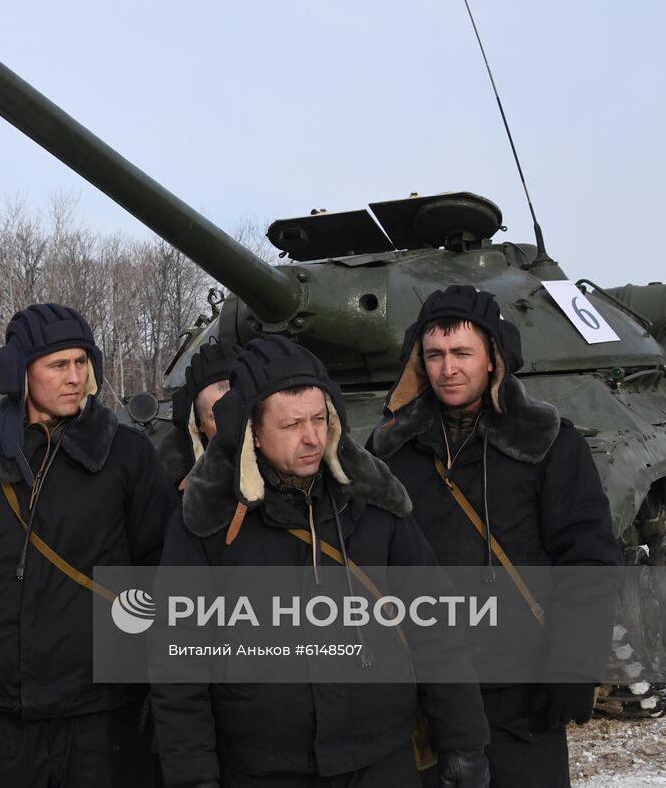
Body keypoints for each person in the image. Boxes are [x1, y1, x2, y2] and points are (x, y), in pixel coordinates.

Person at [152, 335, 491, 788]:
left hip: (380, 759)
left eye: (319, 418)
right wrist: (193, 778)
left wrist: (464, 742)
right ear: (253, 431)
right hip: (262, 768)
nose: (312, 438)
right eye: (291, 425)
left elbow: (436, 628)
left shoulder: (373, 499)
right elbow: (179, 665)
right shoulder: (206, 521)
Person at [0, 303, 179, 787]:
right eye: (58, 365)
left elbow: (163, 574)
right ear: (19, 374)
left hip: (104, 716)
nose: (75, 377)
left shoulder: (127, 456)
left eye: (81, 362)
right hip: (1, 721)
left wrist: (165, 691)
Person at [368, 286, 622, 788]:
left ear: (493, 359)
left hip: (520, 686)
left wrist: (574, 663)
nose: (448, 369)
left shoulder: (547, 441)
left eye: (462, 353)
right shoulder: (392, 450)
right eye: (435, 355)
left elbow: (588, 557)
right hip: (425, 688)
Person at [155, 340, 241, 488]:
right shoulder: (178, 489)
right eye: (215, 417)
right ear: (198, 425)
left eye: (239, 411)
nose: (231, 425)